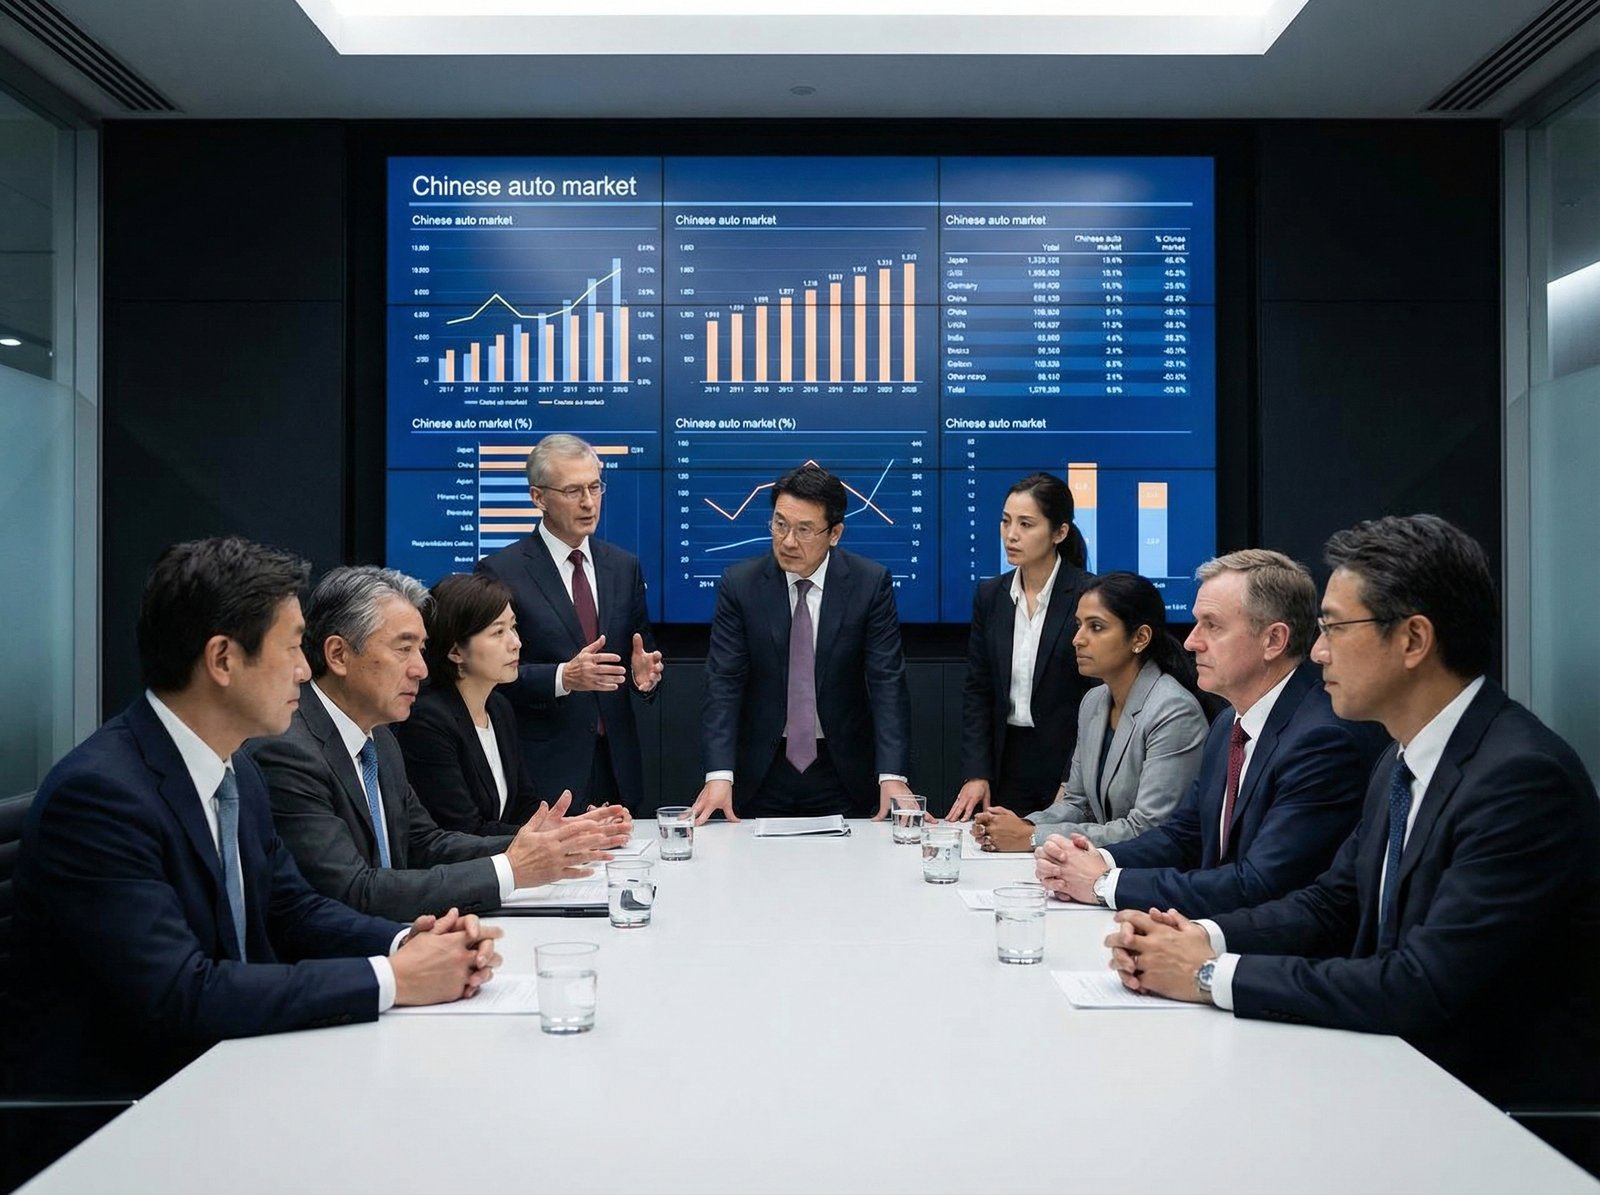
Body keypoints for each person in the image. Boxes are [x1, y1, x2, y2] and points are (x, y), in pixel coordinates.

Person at [1104, 515, 1600, 1108]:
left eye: (1335, 629)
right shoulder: (1401, 754)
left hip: (1493, 1111)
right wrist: (1195, 937)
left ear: (1413, 640)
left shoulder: (1520, 780)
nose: (1317, 652)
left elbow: (1422, 985)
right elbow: (1332, 903)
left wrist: (1211, 975)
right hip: (1396, 1069)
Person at [9, 538, 504, 1103]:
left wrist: (408, 940)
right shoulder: (100, 797)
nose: (302, 670)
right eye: (293, 647)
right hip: (131, 1108)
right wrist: (394, 980)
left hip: (238, 1063)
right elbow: (180, 992)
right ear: (223, 660)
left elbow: (292, 908)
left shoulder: (235, 767)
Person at [247, 565, 629, 922]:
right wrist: (511, 869)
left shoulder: (378, 736)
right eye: (403, 649)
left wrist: (546, 840)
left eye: (421, 649)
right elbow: (352, 890)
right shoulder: (290, 748)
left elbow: (424, 844)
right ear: (338, 655)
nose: (421, 669)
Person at [1035, 549, 1384, 915]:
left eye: (1212, 625)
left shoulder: (1322, 740)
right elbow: (1184, 836)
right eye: (1196, 623)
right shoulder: (1228, 723)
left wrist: (1105, 882)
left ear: (1273, 640)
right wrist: (1093, 858)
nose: (1191, 642)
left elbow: (1258, 884)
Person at [692, 463, 912, 822]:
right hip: (762, 770)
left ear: (835, 533)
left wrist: (892, 775)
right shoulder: (740, 585)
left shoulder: (869, 585)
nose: (788, 541)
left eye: (805, 530)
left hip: (841, 769)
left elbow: (887, 682)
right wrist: (719, 774)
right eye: (780, 525)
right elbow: (723, 684)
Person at [477, 433, 663, 811]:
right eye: (573, 490)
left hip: (617, 764)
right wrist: (563, 678)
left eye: (595, 487)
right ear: (538, 498)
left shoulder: (623, 567)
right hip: (545, 768)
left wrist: (645, 680)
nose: (589, 502)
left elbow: (639, 655)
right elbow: (487, 676)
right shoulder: (501, 572)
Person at [973, 572, 1207, 853]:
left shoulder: (1174, 711)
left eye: (1096, 627)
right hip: (1099, 867)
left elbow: (1147, 830)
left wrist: (1032, 837)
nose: (1077, 639)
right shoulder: (1094, 702)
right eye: (1078, 625)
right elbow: (1079, 805)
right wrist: (1020, 825)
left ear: (1140, 637)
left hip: (1149, 878)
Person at [947, 472, 1095, 823]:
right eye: (1005, 522)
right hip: (1005, 761)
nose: (1011, 535)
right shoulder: (990, 595)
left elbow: (1097, 698)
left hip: (1067, 764)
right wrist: (976, 772)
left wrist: (1072, 781)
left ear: (1059, 532)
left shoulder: (1088, 595)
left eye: (1026, 524)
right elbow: (978, 691)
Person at [392, 573, 539, 835]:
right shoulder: (427, 720)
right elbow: (462, 829)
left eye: (513, 627)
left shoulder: (498, 707)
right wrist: (554, 838)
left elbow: (523, 805)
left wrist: (580, 825)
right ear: (456, 651)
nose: (516, 643)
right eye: (498, 632)